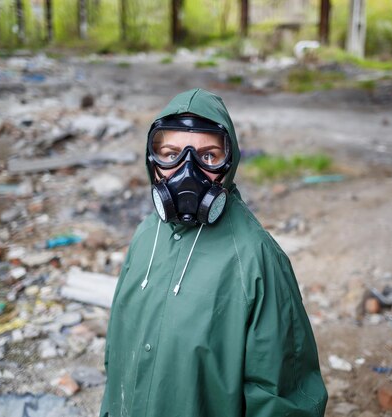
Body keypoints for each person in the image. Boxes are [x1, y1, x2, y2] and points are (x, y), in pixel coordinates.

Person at [100, 88, 328, 417]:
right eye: (171, 153)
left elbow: (284, 400)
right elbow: (118, 353)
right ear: (153, 161)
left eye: (208, 156)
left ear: (229, 162)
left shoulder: (257, 259)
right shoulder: (147, 235)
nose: (186, 170)